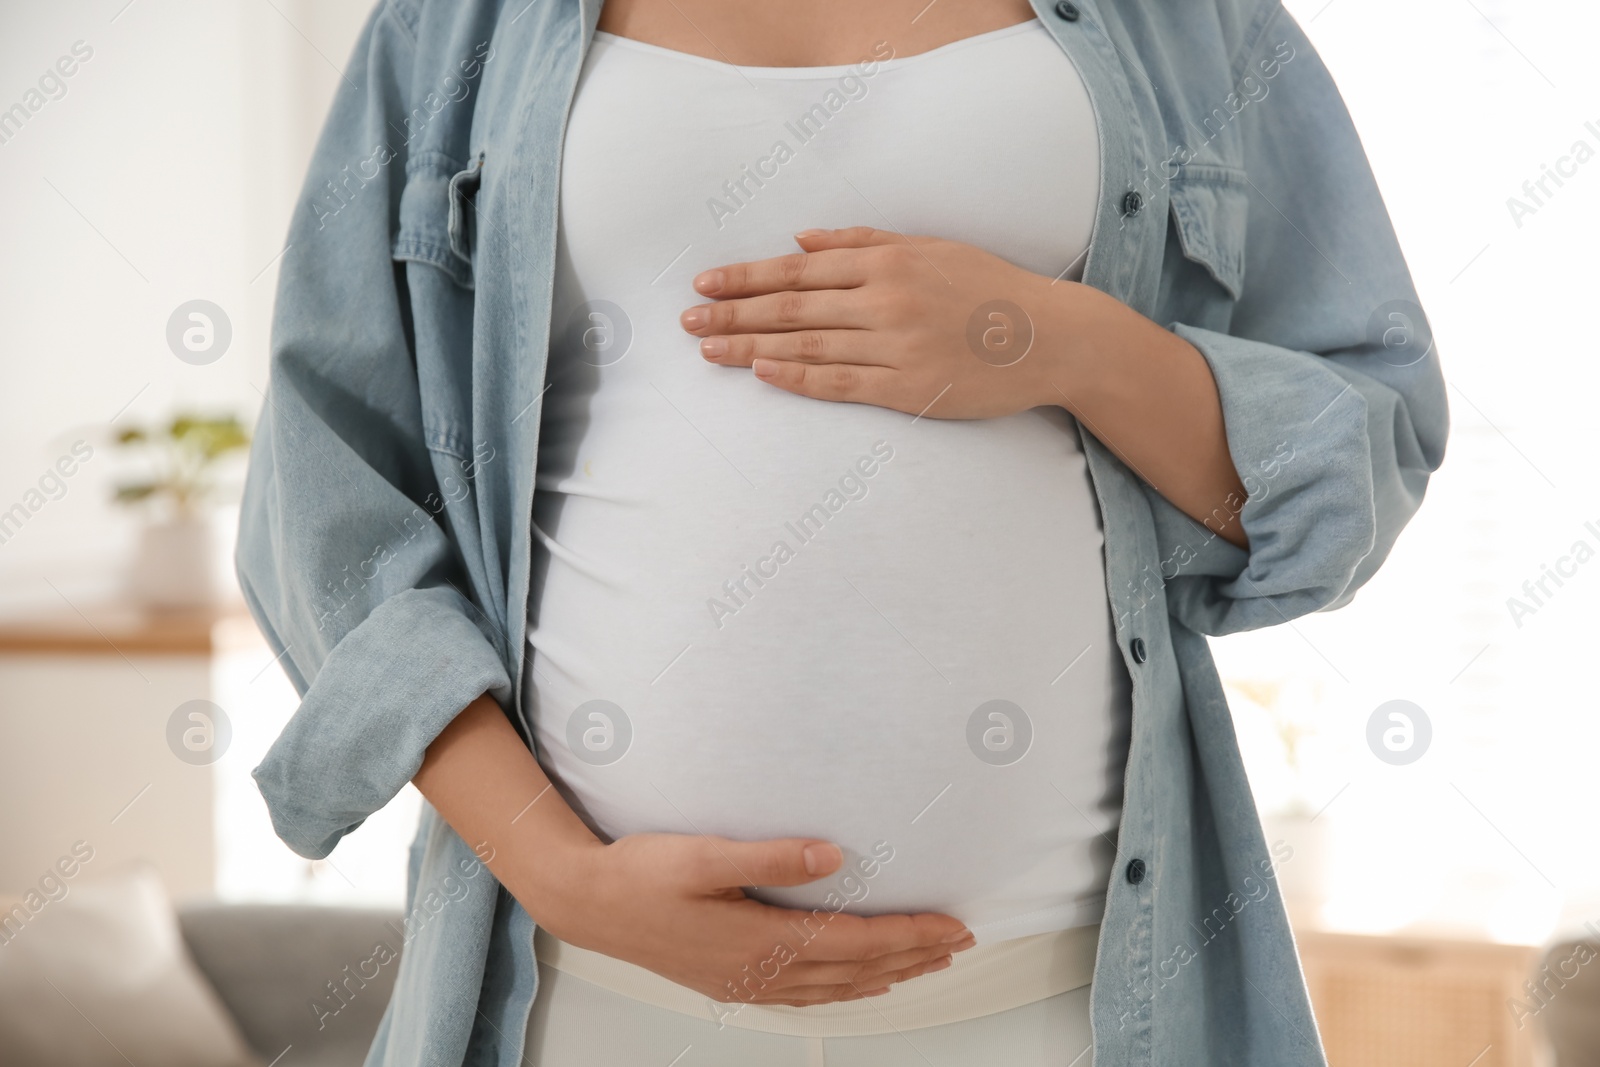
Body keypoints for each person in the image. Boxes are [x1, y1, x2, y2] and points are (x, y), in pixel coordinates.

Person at [235, 0, 1448, 1064]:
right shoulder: (457, 25)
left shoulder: (1190, 22)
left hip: (1069, 995)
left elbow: (1354, 462)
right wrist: (563, 877)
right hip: (586, 991)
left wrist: (1057, 341)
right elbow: (327, 489)